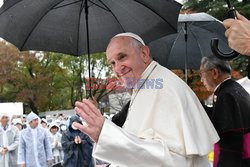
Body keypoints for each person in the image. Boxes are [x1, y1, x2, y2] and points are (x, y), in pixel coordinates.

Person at [73, 32, 220, 167]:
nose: (117, 69)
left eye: (122, 57)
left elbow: (174, 160)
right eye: (112, 63)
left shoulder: (164, 88)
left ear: (144, 53)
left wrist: (107, 136)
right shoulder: (145, 85)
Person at [200, 56, 250, 167]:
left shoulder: (226, 95)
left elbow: (230, 141)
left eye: (202, 74)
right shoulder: (234, 88)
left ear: (214, 72)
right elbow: (219, 116)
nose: (201, 80)